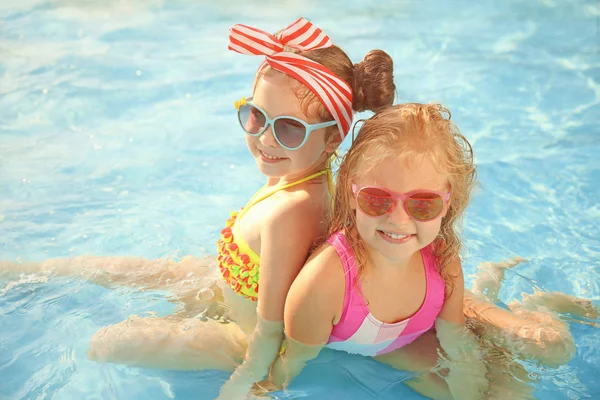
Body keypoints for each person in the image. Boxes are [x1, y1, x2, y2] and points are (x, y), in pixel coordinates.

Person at [0, 17, 396, 399]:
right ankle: (26, 274)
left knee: (106, 343)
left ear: (332, 140)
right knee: (121, 268)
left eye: (288, 128)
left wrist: (248, 382)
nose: (264, 138)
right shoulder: (296, 172)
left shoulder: (289, 212)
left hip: (244, 338)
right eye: (255, 115)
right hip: (230, 286)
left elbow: (271, 327)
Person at [259, 103, 598, 399]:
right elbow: (293, 360)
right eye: (377, 199)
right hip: (398, 341)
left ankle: (542, 306)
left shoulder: (443, 258)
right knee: (501, 389)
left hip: (428, 315)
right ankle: (516, 303)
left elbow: (457, 342)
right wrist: (266, 388)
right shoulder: (324, 284)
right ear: (351, 193)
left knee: (550, 346)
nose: (397, 219)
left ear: (448, 202)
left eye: (422, 204)